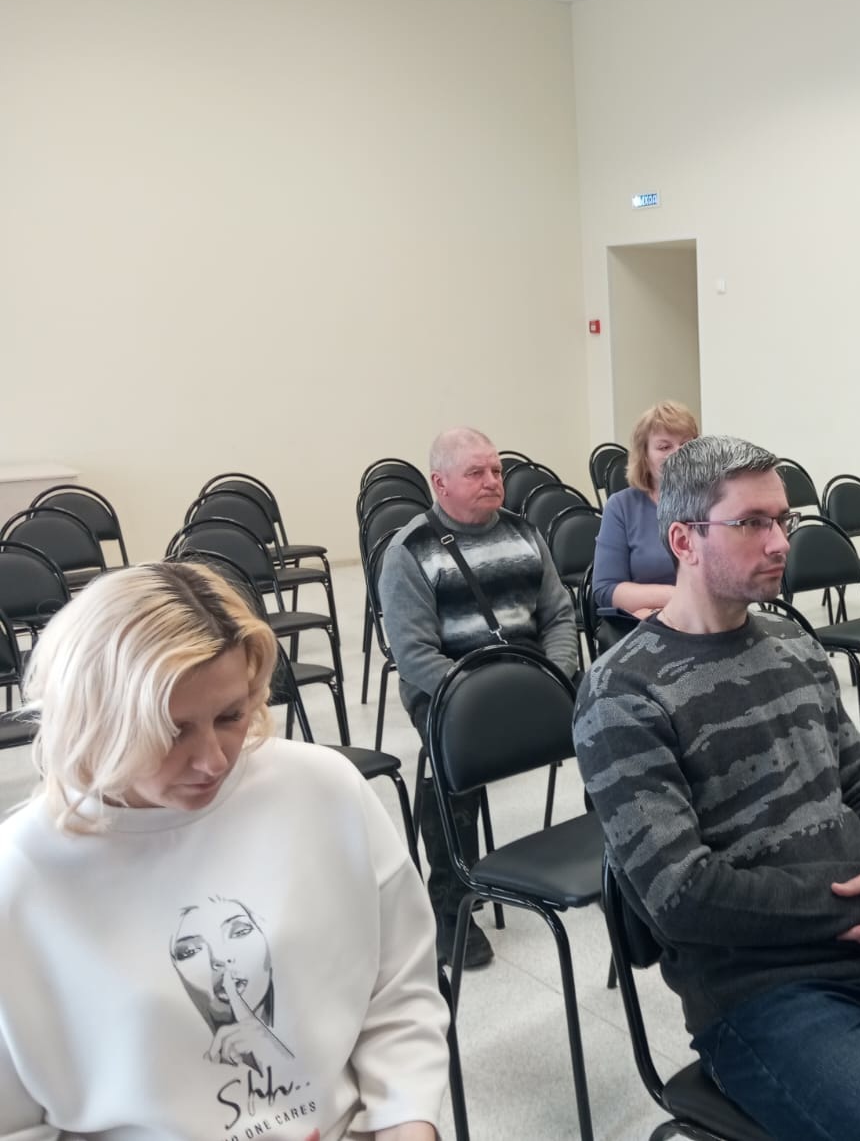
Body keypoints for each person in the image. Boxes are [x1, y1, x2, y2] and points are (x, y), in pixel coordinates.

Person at [574, 435, 860, 1141]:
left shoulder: (793, 645)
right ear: (684, 540)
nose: (781, 542)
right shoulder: (623, 693)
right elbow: (684, 897)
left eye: (783, 520)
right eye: (752, 523)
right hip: (770, 994)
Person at [0, 563, 447, 1141]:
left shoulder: (323, 790)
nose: (212, 760)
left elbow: (400, 996)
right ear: (94, 720)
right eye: (171, 730)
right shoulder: (21, 874)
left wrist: (406, 1123)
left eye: (231, 716)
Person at [377, 426, 579, 968]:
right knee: (450, 768)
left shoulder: (524, 531)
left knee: (612, 719)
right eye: (476, 473)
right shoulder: (410, 552)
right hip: (450, 688)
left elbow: (559, 616)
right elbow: (415, 655)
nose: (493, 481)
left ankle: (623, 861)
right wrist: (483, 707)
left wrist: (557, 676)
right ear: (440, 483)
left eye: (496, 471)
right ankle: (451, 908)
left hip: (534, 678)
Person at [592, 399, 700, 622]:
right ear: (645, 455)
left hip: (707, 622)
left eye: (686, 444)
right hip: (645, 625)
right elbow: (606, 589)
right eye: (664, 447)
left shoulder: (715, 501)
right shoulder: (621, 506)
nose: (678, 453)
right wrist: (676, 598)